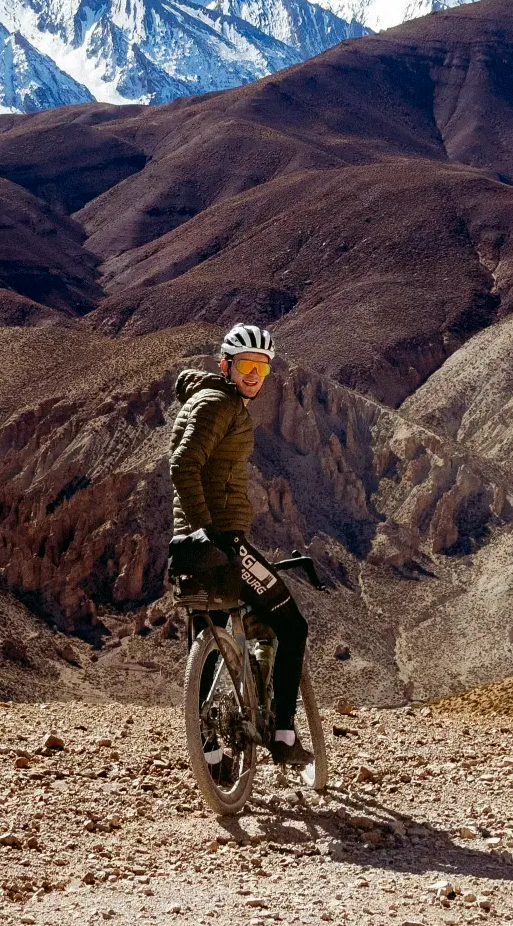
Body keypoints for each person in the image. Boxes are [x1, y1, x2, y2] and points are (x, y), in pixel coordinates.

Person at [167, 323, 312, 767]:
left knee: (206, 637)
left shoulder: (206, 400)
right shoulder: (217, 403)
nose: (254, 375)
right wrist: (208, 531)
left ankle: (211, 760)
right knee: (292, 627)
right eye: (246, 365)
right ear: (225, 365)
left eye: (262, 368)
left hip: (191, 542)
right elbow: (183, 463)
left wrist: (194, 533)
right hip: (220, 540)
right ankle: (284, 734)